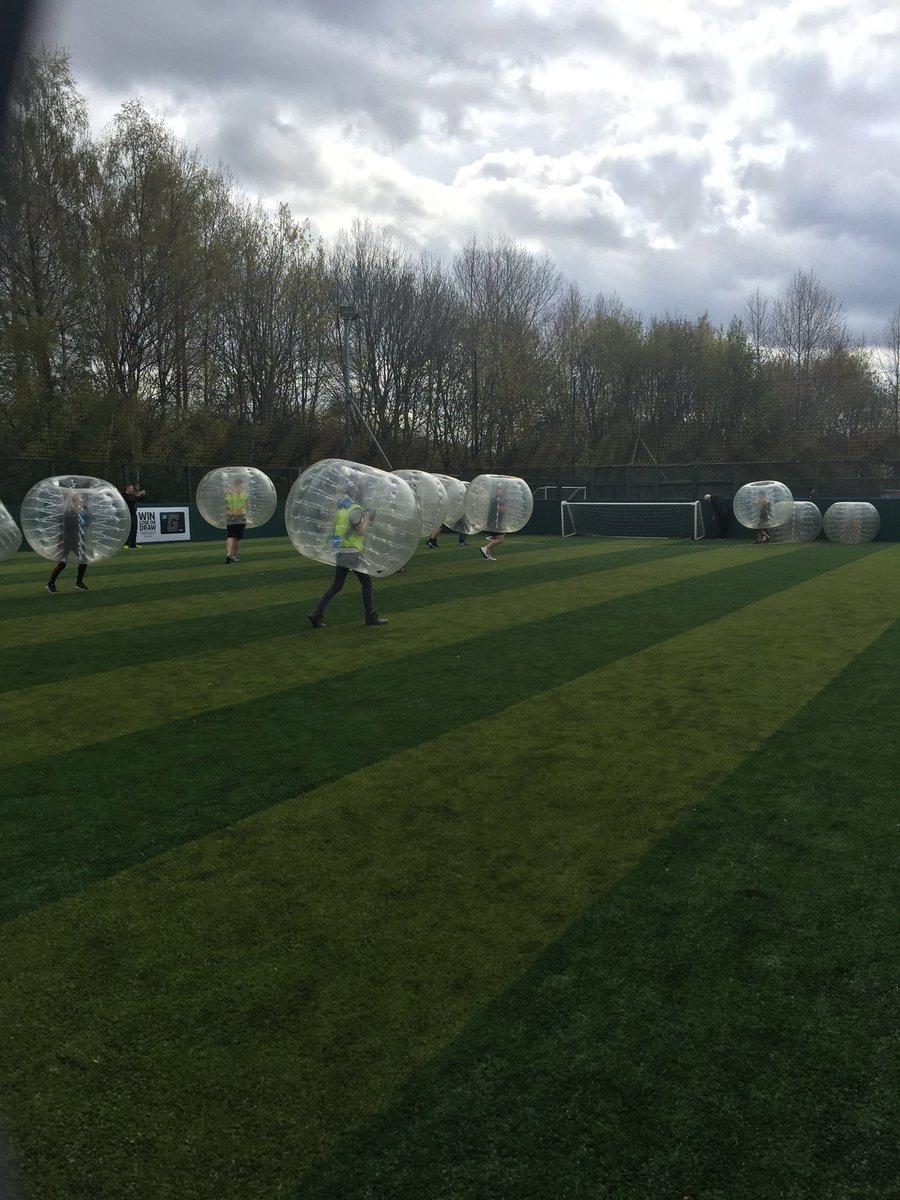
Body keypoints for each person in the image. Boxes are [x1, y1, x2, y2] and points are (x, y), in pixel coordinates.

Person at [308, 491, 388, 628]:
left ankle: (317, 613)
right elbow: (361, 531)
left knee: (337, 585)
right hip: (352, 552)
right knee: (367, 584)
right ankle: (370, 617)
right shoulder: (356, 510)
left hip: (341, 551)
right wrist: (367, 517)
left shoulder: (341, 511)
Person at [46, 490, 90, 592]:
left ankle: (79, 582)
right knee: (62, 563)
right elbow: (71, 526)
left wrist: (85, 518)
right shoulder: (66, 512)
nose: (82, 501)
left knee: (83, 560)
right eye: (80, 499)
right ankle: (50, 583)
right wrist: (82, 520)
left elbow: (82, 524)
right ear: (74, 501)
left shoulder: (76, 511)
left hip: (75, 539)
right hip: (65, 540)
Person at [480, 486, 508, 561]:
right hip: (495, 522)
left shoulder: (494, 500)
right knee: (500, 539)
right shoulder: (499, 501)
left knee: (495, 539)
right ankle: (485, 548)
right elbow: (502, 510)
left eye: (502, 491)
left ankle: (488, 555)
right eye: (500, 491)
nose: (501, 492)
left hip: (491, 522)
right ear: (497, 492)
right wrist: (505, 506)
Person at [225, 477, 249, 563]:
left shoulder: (229, 493)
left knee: (230, 536)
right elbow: (245, 505)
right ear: (240, 484)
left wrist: (230, 511)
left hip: (230, 516)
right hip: (241, 516)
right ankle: (234, 556)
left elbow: (227, 505)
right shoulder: (244, 494)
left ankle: (228, 554)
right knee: (238, 538)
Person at [122, 482, 146, 548]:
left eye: (132, 488)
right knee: (128, 529)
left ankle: (133, 544)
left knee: (134, 529)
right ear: (127, 488)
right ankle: (125, 544)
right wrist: (138, 495)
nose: (132, 490)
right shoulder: (124, 495)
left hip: (133, 513)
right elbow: (130, 501)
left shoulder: (132, 496)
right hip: (127, 514)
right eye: (131, 488)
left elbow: (138, 500)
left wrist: (142, 495)